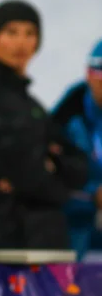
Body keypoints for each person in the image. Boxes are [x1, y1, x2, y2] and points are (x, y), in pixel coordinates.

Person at [0, 0, 87, 250]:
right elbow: (22, 170)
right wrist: (58, 186)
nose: (21, 43)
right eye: (11, 32)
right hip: (7, 250)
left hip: (43, 243)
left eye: (30, 33)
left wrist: (54, 165)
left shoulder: (31, 105)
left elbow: (79, 165)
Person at [51, 38, 102, 258]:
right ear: (89, 75)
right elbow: (48, 182)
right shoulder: (64, 122)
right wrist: (93, 196)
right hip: (76, 239)